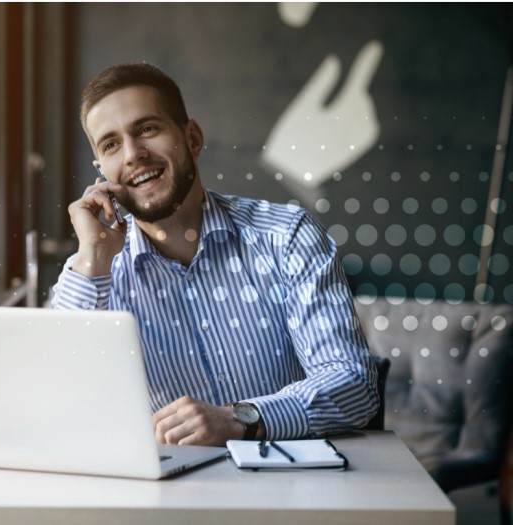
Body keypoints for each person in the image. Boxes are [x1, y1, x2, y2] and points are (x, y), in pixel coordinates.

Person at [52, 62, 379, 447]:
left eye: (147, 129)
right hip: (166, 494)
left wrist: (237, 418)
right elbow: (59, 403)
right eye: (111, 145)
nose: (132, 155)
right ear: (101, 171)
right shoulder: (95, 272)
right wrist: (92, 256)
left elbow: (353, 385)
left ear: (192, 138)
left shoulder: (287, 236)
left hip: (287, 486)